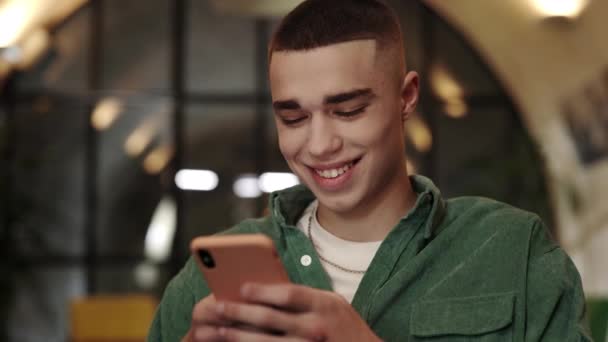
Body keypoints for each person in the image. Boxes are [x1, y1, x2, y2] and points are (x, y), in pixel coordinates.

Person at [148, 0, 591, 341]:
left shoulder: (512, 252)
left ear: (407, 97)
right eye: (294, 118)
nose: (320, 145)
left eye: (348, 110)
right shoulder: (201, 285)